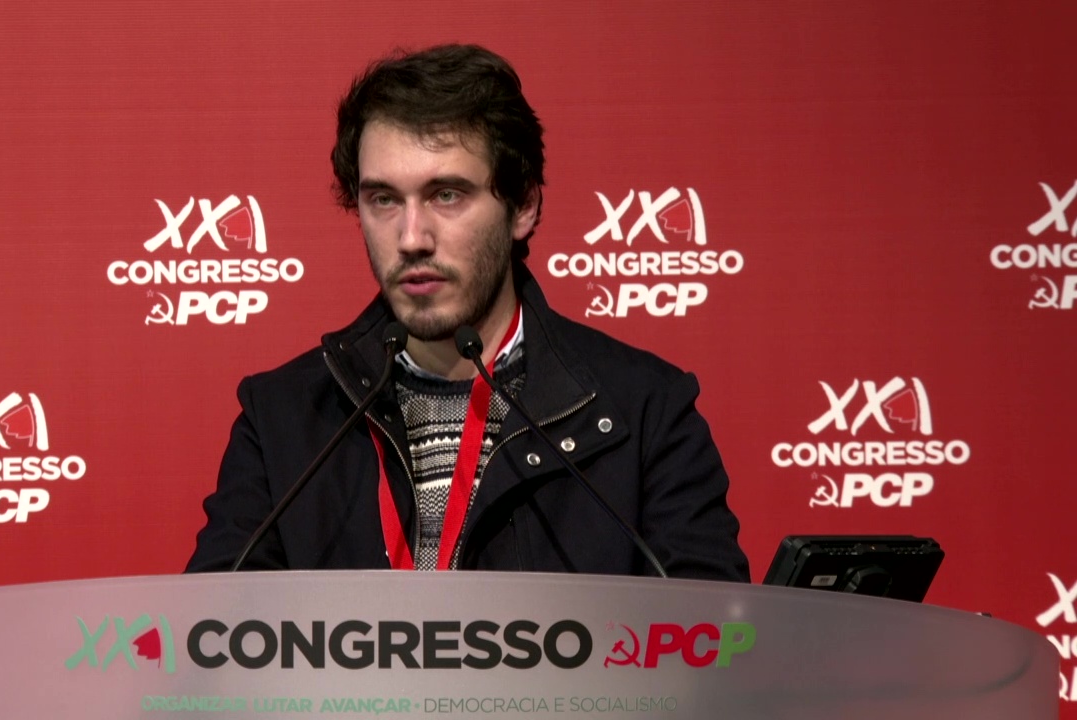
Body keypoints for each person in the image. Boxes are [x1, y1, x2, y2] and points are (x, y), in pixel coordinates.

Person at [186, 44, 748, 581]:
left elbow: (713, 636)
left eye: (447, 195)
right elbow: (212, 633)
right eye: (384, 199)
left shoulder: (645, 412)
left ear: (523, 206)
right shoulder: (281, 419)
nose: (411, 238)